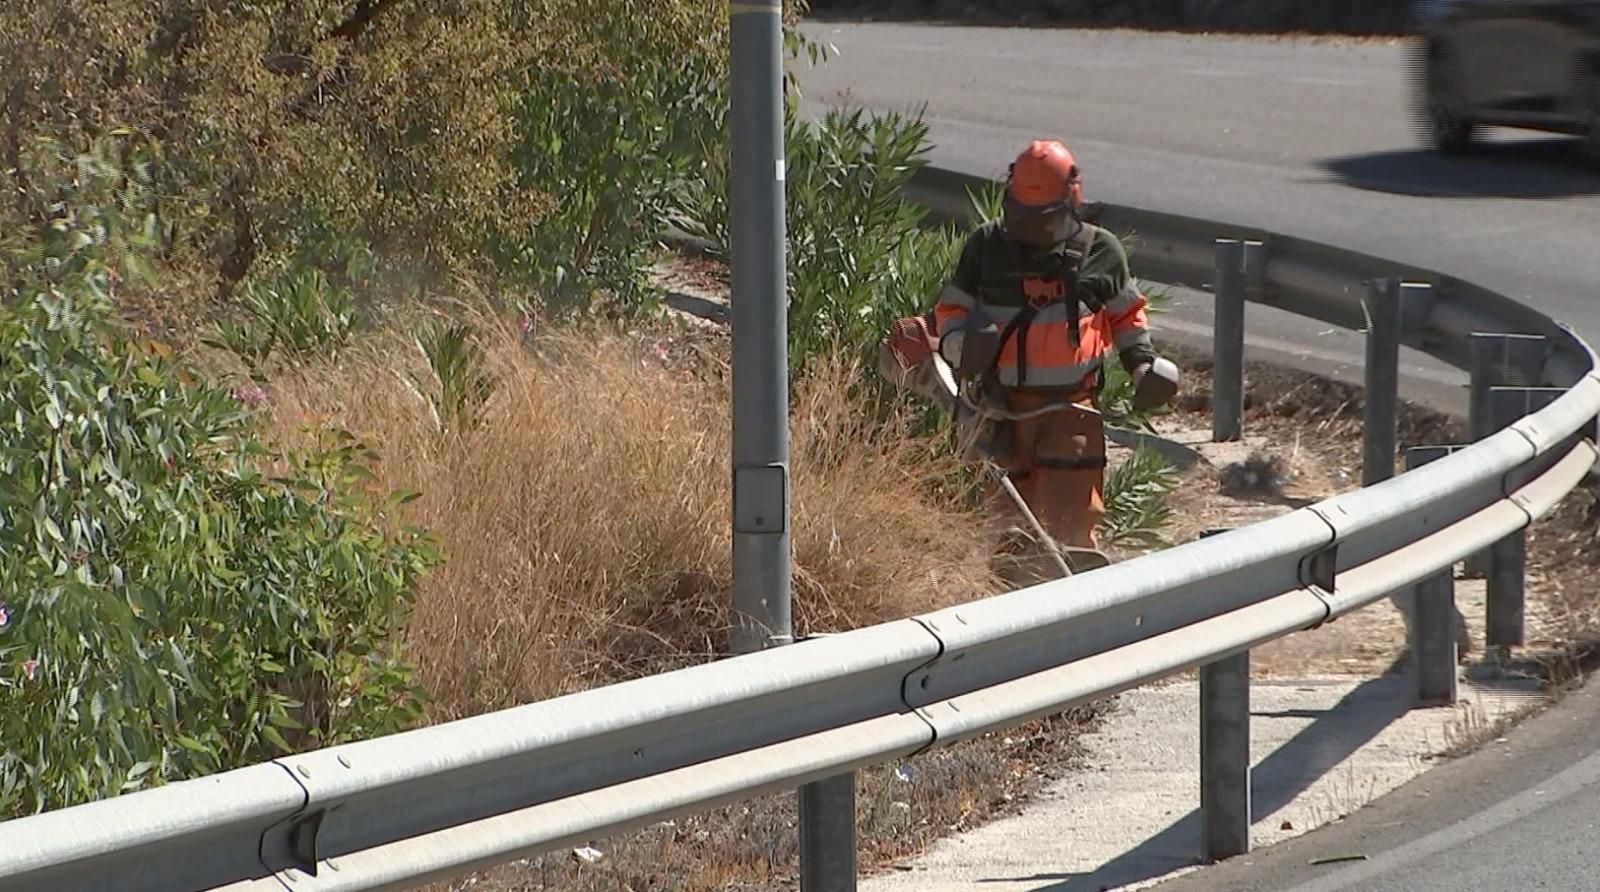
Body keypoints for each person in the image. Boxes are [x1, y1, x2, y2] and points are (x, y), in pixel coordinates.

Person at [881, 139, 1173, 577]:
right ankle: (1016, 602)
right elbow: (950, 311)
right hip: (1001, 410)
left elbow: (1126, 315)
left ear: (1070, 200)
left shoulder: (1100, 251)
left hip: (1071, 413)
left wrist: (1143, 365)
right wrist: (963, 346)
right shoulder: (986, 247)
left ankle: (1073, 610)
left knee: (1069, 523)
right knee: (1009, 524)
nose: (1030, 228)